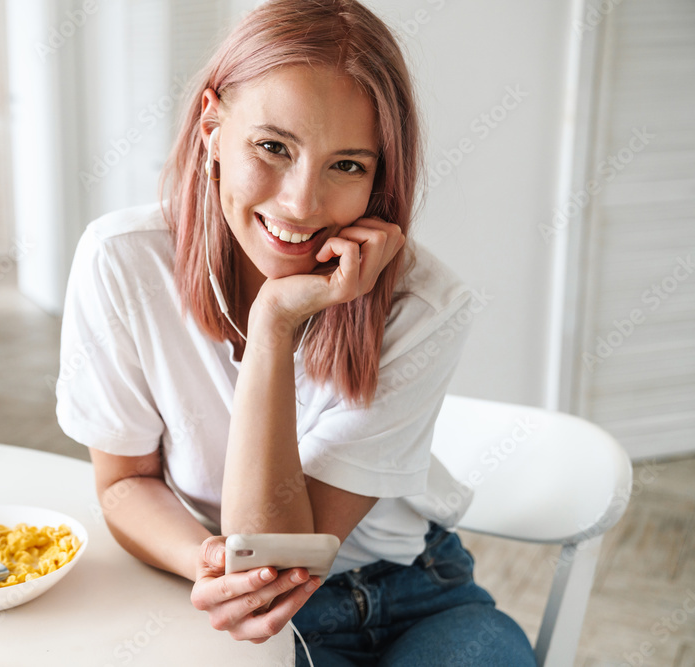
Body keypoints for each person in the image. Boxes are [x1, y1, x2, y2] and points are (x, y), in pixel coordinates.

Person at [55, 0, 537, 664]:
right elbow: (126, 484)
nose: (301, 204)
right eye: (273, 147)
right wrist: (212, 565)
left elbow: (285, 548)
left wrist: (273, 322)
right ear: (211, 127)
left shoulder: (425, 301)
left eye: (347, 165)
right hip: (234, 600)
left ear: (380, 178)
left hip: (417, 593)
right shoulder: (122, 262)